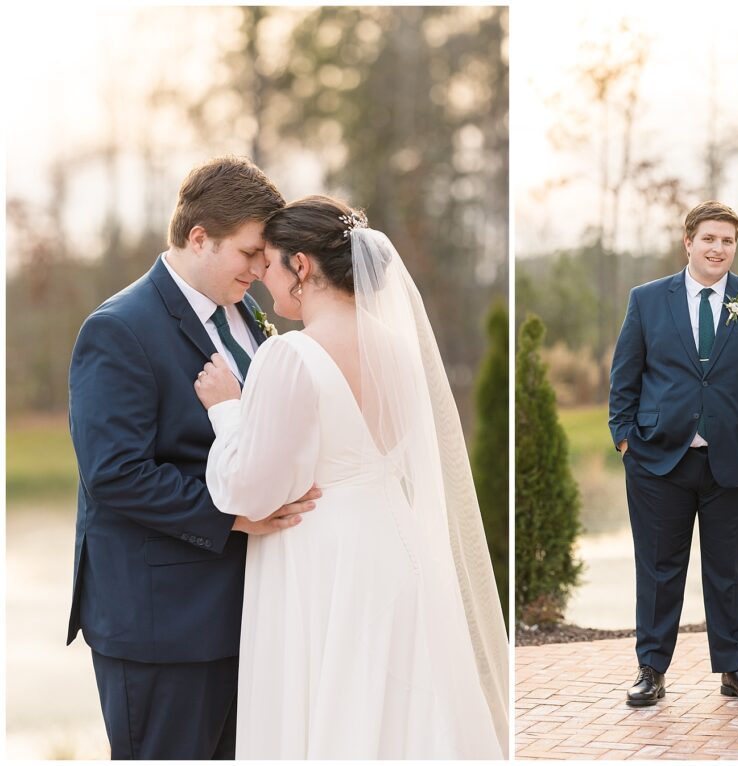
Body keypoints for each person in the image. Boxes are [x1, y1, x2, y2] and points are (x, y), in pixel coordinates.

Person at [193, 196, 509, 758]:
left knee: (333, 713)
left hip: (323, 560)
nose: (262, 276)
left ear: (302, 267)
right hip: (398, 551)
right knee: (399, 716)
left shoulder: (289, 355)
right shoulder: (400, 351)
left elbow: (253, 490)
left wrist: (228, 410)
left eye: (269, 262)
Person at [67, 156, 321, 759]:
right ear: (199, 238)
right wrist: (236, 516)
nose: (262, 270)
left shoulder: (247, 318)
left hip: (248, 612)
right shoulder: (119, 329)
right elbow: (115, 474)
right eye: (249, 253)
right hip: (163, 626)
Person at [608, 201, 738, 707]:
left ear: (736, 246)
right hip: (657, 460)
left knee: (728, 569)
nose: (718, 248)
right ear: (688, 242)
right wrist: (625, 439)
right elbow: (625, 375)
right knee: (659, 568)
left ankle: (734, 668)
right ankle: (651, 669)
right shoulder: (646, 300)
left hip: (734, 461)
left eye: (728, 241)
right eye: (709, 238)